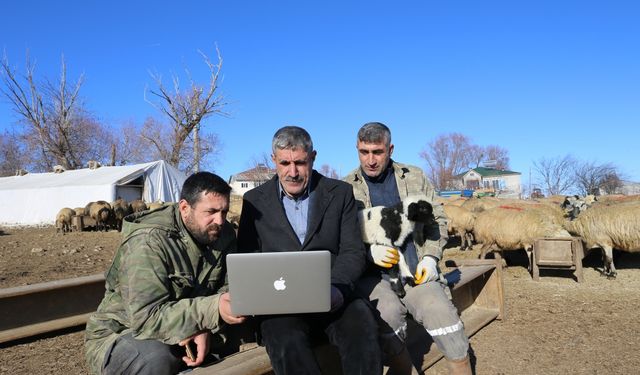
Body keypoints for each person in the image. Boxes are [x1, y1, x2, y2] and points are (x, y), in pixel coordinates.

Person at [237, 125, 382, 375]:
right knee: (285, 342)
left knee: (362, 325)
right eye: (284, 163)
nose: (292, 172)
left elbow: (352, 250)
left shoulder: (340, 194)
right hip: (280, 305)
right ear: (274, 161)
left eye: (300, 163)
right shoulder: (253, 201)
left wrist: (337, 288)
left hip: (333, 296)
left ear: (313, 157)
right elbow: (246, 258)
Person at [84, 172, 250, 375]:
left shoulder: (223, 234)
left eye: (224, 211)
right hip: (124, 332)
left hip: (192, 327)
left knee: (261, 331)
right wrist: (210, 312)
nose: (220, 220)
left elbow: (225, 287)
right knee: (155, 358)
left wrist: (206, 327)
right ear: (184, 208)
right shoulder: (149, 241)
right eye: (211, 211)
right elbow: (145, 318)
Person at [344, 122, 472, 375]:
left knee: (441, 314)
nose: (370, 160)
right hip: (375, 279)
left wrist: (431, 258)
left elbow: (438, 222)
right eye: (364, 152)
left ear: (390, 149)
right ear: (357, 149)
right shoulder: (345, 188)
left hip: (417, 274)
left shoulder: (414, 176)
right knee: (386, 317)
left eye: (377, 152)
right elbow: (343, 239)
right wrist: (368, 252)